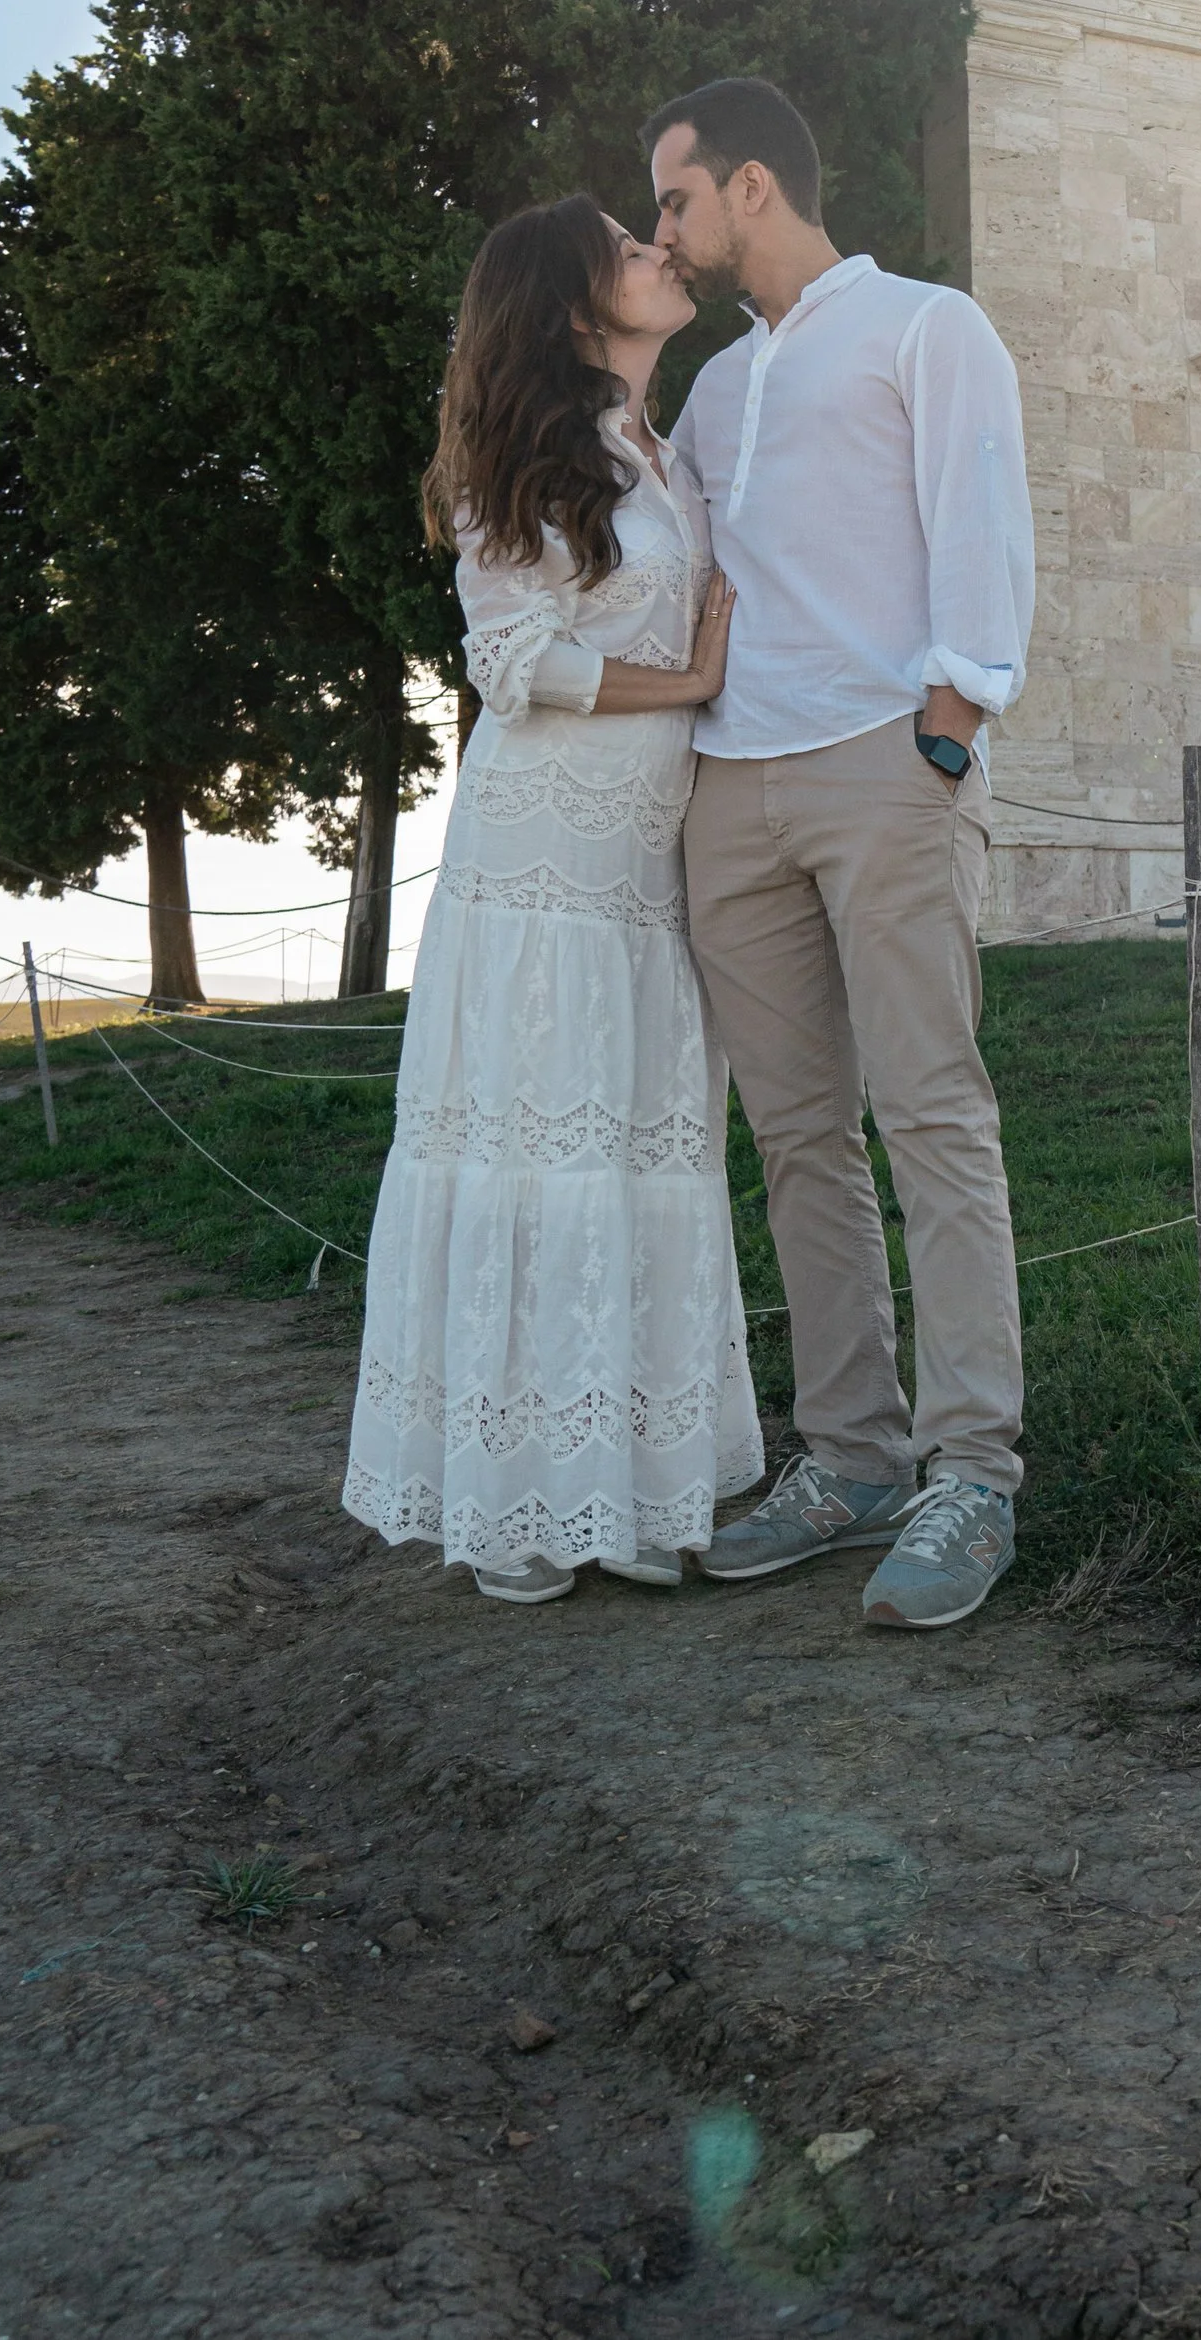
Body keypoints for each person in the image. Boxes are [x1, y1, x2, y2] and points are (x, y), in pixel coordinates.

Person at [646, 75, 1034, 1630]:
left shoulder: (928, 328)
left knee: (930, 1110)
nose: (663, 231)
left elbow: (981, 515)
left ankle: (974, 1473)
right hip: (732, 790)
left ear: (751, 185)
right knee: (799, 1139)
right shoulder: (717, 393)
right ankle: (852, 1456)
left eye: (673, 199)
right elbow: (661, 557)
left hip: (885, 758)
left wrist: (952, 711)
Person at [342, 197, 761, 1605]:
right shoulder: (525, 453)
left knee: (642, 1147)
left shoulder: (667, 444)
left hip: (651, 856)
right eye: (627, 250)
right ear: (576, 307)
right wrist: (692, 682)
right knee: (541, 1151)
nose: (661, 253)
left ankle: (627, 1492)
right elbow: (512, 665)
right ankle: (523, 1506)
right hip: (541, 861)